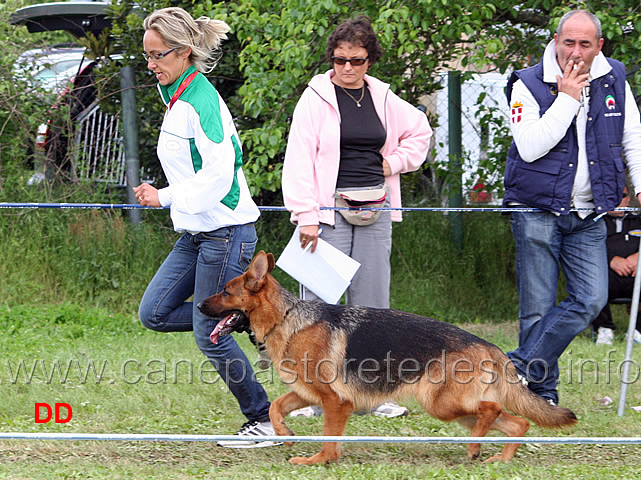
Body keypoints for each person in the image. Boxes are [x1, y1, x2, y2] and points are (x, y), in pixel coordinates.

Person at [134, 7, 278, 448]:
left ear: (184, 52)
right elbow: (192, 166)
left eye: (157, 55)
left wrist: (167, 196)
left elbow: (221, 172)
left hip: (227, 232)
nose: (151, 64)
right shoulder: (175, 94)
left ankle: (264, 421)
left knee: (207, 335)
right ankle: (257, 323)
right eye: (147, 57)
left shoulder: (202, 100)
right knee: (154, 313)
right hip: (198, 233)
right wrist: (166, 189)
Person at [281, 16, 432, 418]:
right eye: (340, 59)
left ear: (370, 60)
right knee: (316, 306)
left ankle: (374, 395)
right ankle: (313, 398)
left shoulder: (384, 97)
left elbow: (421, 133)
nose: (347, 68)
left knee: (373, 306)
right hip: (327, 211)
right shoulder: (314, 98)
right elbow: (298, 160)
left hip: (376, 207)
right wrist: (306, 216)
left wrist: (393, 163)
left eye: (357, 60)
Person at [503, 9, 641, 406]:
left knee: (591, 299)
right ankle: (542, 393)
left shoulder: (613, 75)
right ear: (554, 41)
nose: (576, 53)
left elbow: (631, 134)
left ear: (599, 46)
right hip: (536, 210)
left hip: (589, 212)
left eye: (585, 44)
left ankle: (518, 367)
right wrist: (566, 98)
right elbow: (530, 147)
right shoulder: (527, 83)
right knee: (536, 309)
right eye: (569, 43)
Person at [592, 186, 641, 345]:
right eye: (611, 195)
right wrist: (611, 259)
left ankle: (637, 330)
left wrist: (638, 257)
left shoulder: (637, 219)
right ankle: (604, 329)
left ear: (628, 198)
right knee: (591, 280)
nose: (617, 201)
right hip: (607, 274)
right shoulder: (594, 222)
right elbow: (585, 248)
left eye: (622, 196)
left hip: (636, 274)